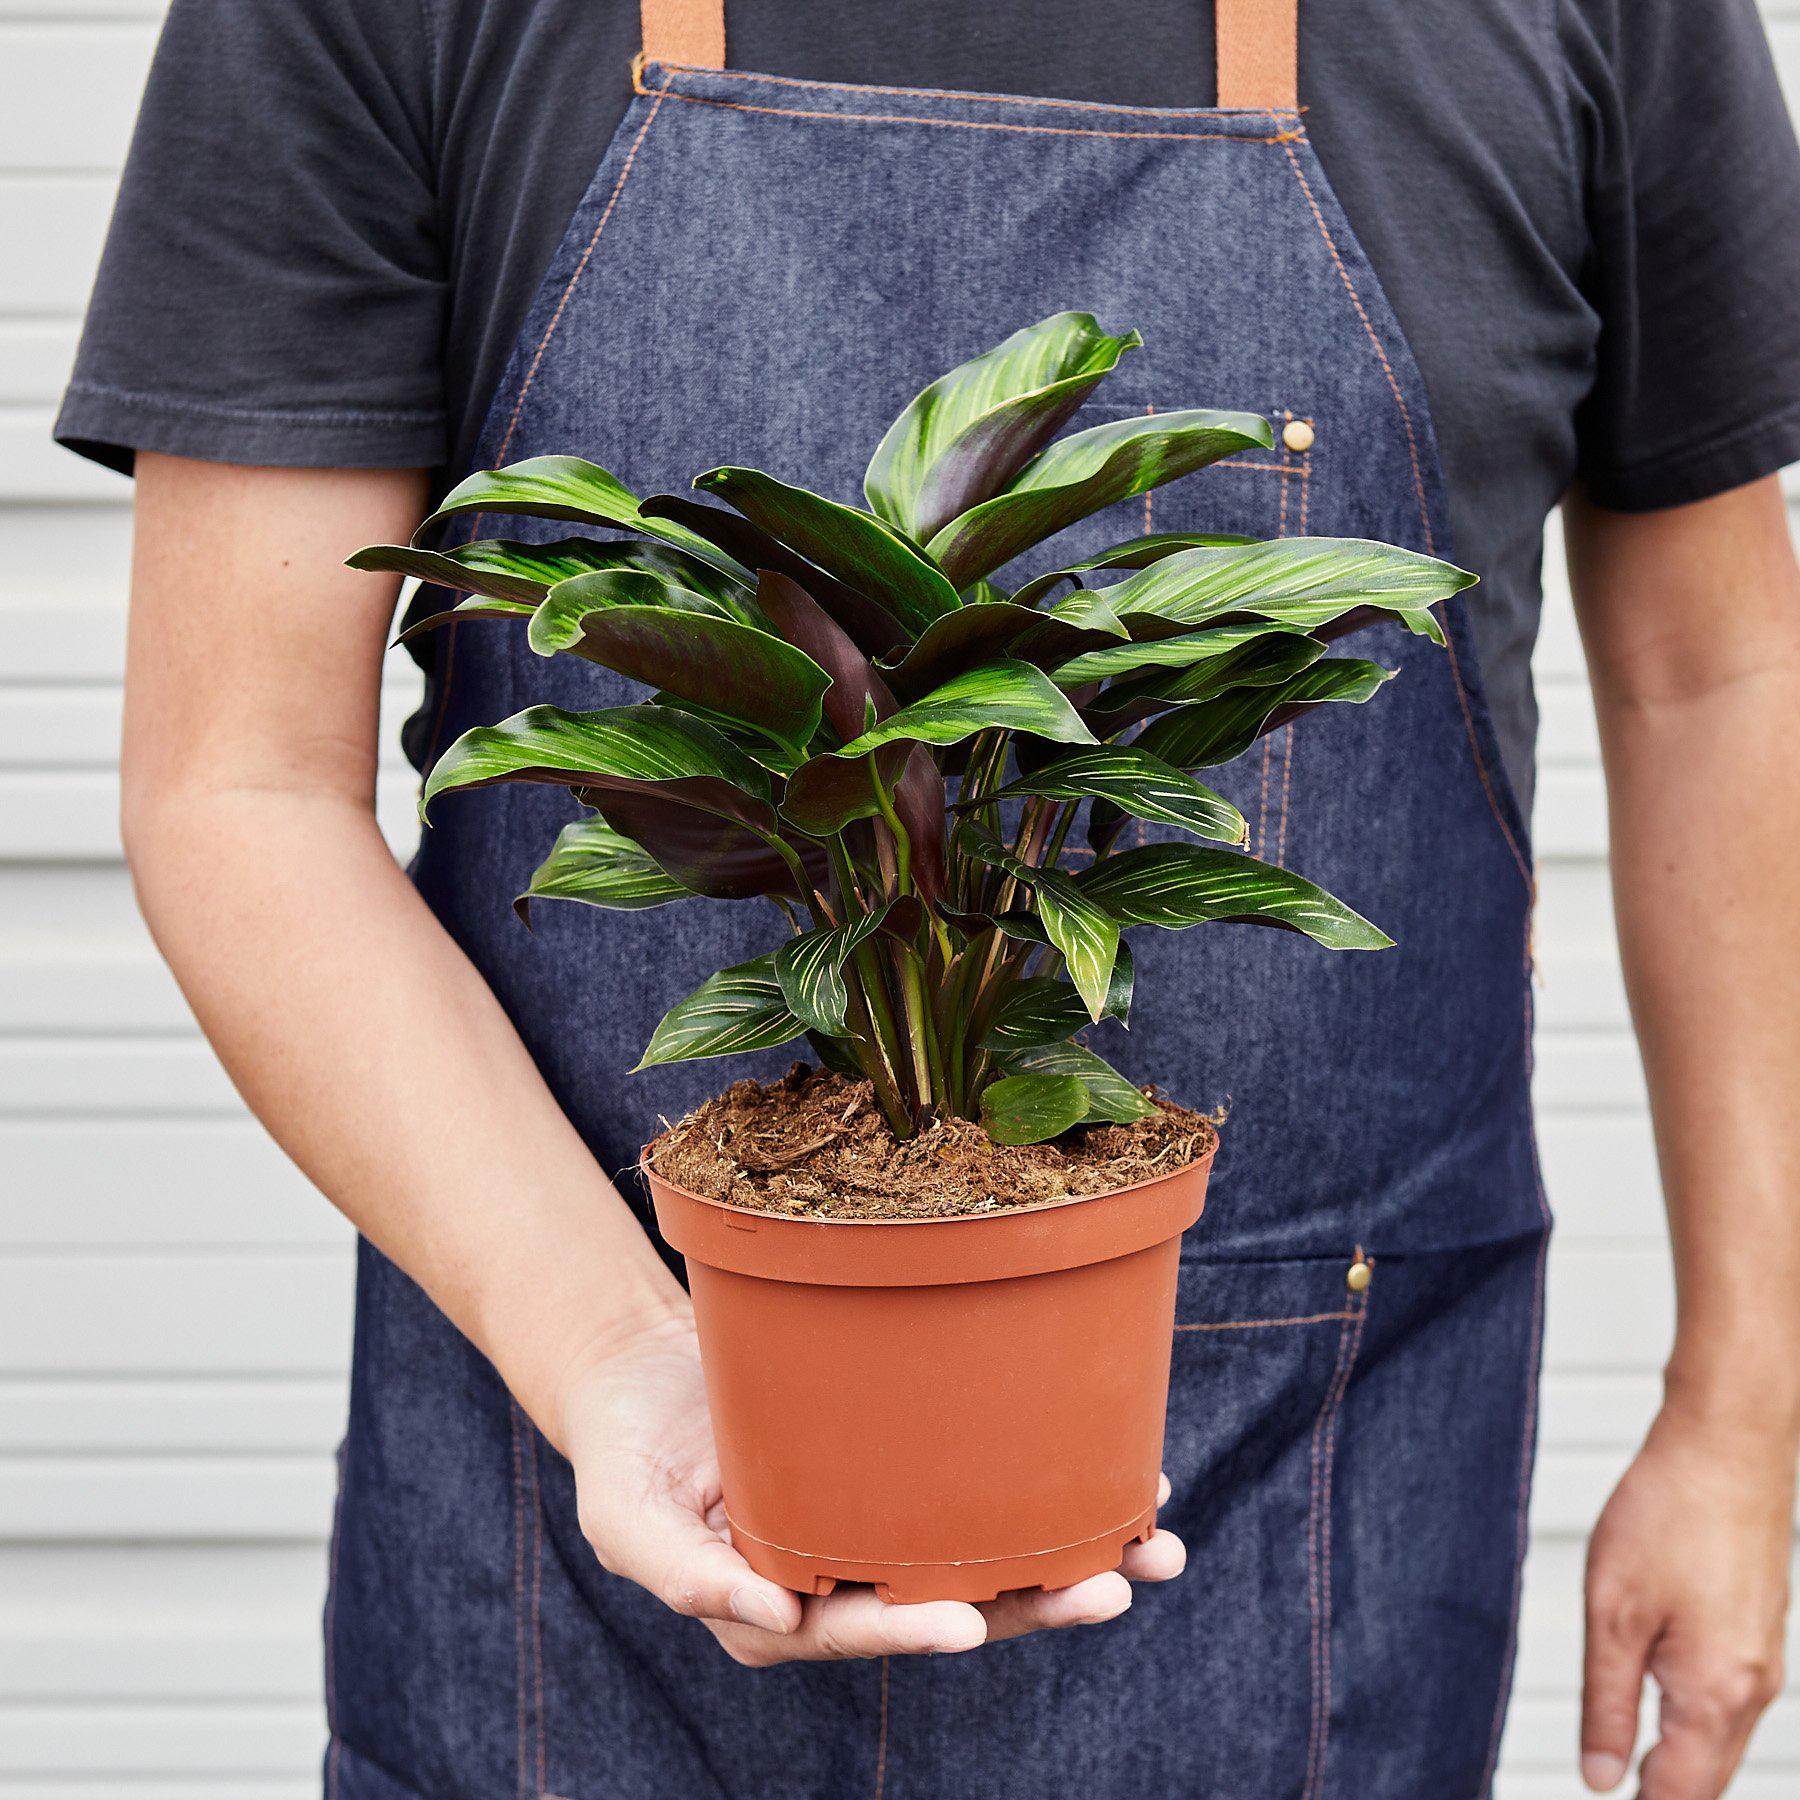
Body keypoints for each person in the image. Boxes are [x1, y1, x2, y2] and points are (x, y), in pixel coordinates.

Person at [59, 0, 1800, 1793]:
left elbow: (1714, 677)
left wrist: (1742, 1416)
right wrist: (615, 1356)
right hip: (587, 1527)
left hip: (1308, 1514)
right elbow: (233, 777)